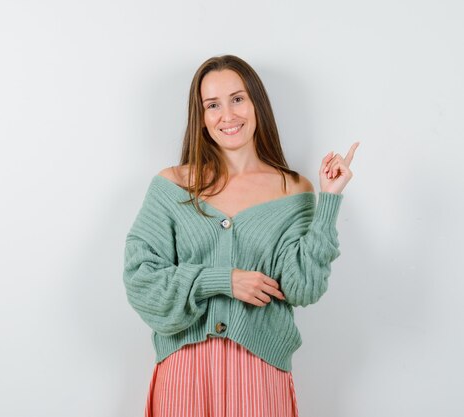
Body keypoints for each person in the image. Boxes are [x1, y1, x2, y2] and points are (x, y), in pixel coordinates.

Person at [122, 54, 359, 417]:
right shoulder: (170, 186)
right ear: (201, 118)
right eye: (213, 105)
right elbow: (141, 281)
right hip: (184, 372)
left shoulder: (293, 189)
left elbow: (304, 288)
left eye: (237, 99)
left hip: (260, 371)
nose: (228, 115)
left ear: (256, 103)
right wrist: (221, 281)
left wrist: (329, 198)